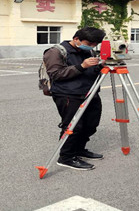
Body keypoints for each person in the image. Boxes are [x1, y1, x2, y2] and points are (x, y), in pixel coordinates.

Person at [43, 27, 106, 170]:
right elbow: (56, 74)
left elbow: (91, 71)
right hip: (68, 95)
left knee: (91, 124)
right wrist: (81, 66)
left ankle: (79, 149)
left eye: (94, 45)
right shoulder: (55, 52)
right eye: (89, 43)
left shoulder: (87, 51)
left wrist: (100, 66)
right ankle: (66, 157)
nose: (91, 47)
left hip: (89, 93)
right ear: (76, 39)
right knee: (73, 127)